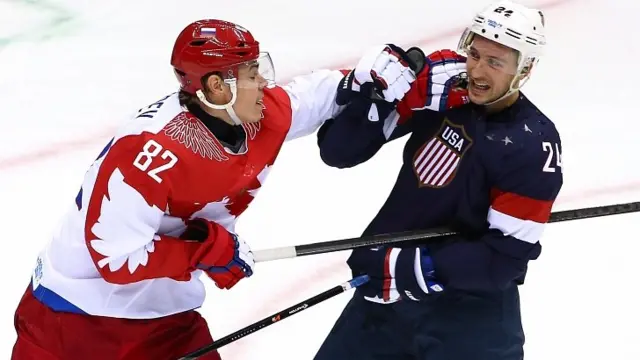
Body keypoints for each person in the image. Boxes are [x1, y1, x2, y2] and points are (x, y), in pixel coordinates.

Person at [11, 19, 417, 359]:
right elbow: (115, 258)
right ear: (217, 87)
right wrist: (210, 250)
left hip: (167, 320)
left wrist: (364, 79)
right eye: (252, 74)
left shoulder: (257, 115)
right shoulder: (149, 153)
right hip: (74, 322)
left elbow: (316, 97)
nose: (264, 83)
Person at [314, 1, 562, 359]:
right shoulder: (445, 93)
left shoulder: (532, 145)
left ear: (524, 69)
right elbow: (339, 152)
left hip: (470, 321)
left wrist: (411, 266)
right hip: (386, 302)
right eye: (474, 55)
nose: (477, 70)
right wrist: (378, 99)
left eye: (495, 62)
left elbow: (505, 259)